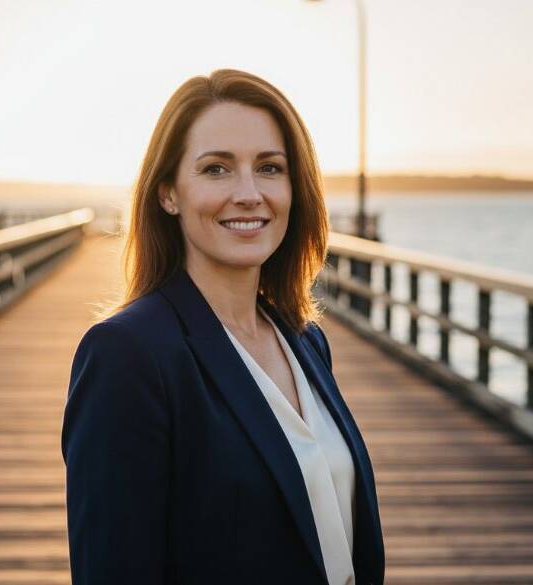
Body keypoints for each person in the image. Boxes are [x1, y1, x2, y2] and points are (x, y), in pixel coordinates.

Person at [61, 68, 384, 585]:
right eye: (216, 169)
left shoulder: (304, 339)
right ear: (168, 193)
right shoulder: (127, 355)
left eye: (270, 168)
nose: (250, 193)